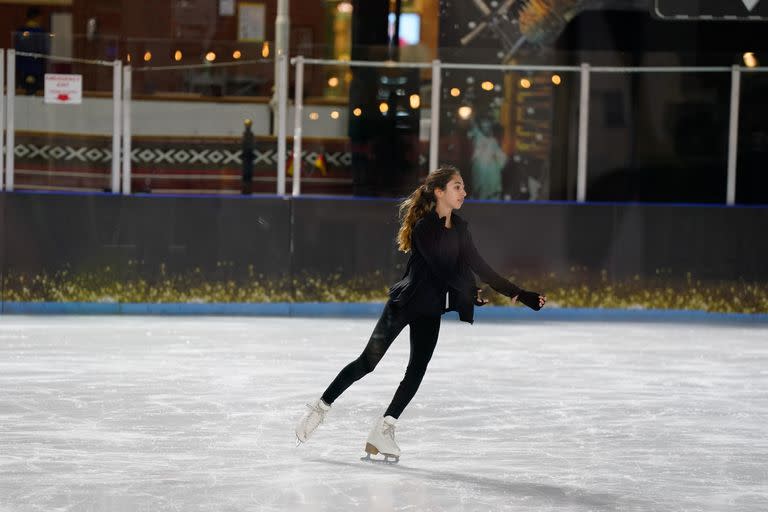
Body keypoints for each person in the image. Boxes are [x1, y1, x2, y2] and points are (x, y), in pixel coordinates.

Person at [294, 165, 546, 463]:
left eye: (463, 187)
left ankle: (384, 430)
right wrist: (468, 291)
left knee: (416, 372)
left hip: (430, 309)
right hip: (405, 304)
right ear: (439, 192)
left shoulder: (462, 229)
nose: (463, 192)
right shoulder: (424, 227)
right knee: (368, 362)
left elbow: (482, 267)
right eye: (457, 187)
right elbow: (441, 267)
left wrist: (521, 295)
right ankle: (321, 407)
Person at [14, 7, 49, 95]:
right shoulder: (41, 32)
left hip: (22, 68)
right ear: (37, 17)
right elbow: (44, 49)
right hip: (37, 68)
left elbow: (17, 48)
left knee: (24, 91)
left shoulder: (20, 31)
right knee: (36, 92)